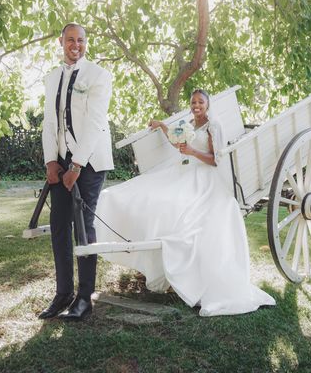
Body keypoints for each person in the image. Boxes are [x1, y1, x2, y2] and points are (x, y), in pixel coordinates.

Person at [95, 89, 275, 316]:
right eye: (193, 102)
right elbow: (178, 143)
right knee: (143, 194)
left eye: (200, 102)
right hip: (182, 172)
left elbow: (216, 159)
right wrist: (162, 126)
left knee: (176, 207)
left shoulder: (214, 125)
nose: (196, 105)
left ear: (208, 105)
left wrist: (192, 151)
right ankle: (151, 259)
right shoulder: (188, 123)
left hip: (204, 178)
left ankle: (175, 267)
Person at [39, 23, 113, 321]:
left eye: (81, 40)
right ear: (61, 42)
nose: (76, 45)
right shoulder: (52, 77)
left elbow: (95, 123)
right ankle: (63, 294)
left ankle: (84, 299)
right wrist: (50, 161)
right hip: (60, 160)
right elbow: (48, 121)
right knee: (58, 227)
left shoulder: (99, 75)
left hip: (90, 161)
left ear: (86, 43)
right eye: (70, 40)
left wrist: (77, 166)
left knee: (83, 227)